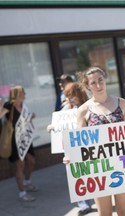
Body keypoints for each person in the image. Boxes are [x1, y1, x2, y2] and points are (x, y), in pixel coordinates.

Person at [75, 65, 125, 216]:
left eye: (101, 80)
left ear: (105, 80)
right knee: (104, 214)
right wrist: (71, 157)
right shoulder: (83, 111)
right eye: (93, 83)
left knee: (124, 212)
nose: (98, 85)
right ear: (87, 86)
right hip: (99, 169)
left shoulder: (122, 103)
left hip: (122, 167)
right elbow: (80, 144)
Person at [49, 82, 92, 215]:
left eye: (71, 96)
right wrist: (51, 127)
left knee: (89, 174)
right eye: (67, 97)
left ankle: (93, 197)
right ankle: (83, 204)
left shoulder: (88, 106)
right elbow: (58, 123)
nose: (69, 99)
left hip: (86, 146)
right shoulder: (66, 108)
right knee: (76, 175)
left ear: (79, 94)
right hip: (71, 148)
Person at [0, 86, 38, 202]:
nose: (23, 94)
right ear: (15, 95)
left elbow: (24, 121)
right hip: (14, 140)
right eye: (21, 93)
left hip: (25, 138)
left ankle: (27, 181)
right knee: (20, 165)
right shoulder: (9, 106)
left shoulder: (24, 106)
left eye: (23, 92)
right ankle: (22, 193)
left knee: (31, 161)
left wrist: (31, 117)